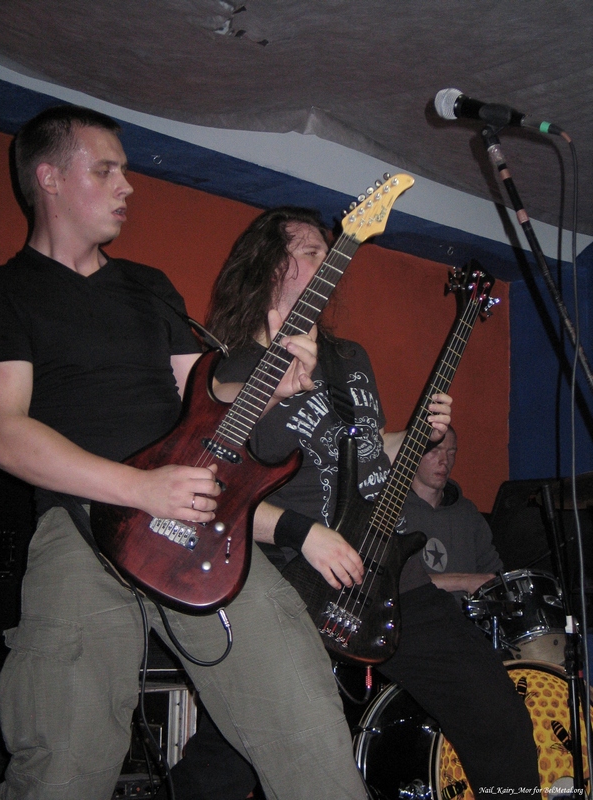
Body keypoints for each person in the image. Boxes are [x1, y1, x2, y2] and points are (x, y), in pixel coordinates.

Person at [0, 106, 371, 800]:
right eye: (106, 170)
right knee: (65, 765)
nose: (127, 185)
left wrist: (270, 384)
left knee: (305, 724)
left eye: (126, 171)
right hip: (81, 525)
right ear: (48, 178)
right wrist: (138, 488)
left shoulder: (150, 286)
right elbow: (4, 432)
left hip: (198, 523)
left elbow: (205, 397)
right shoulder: (7, 294)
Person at [165, 206, 541, 799]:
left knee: (497, 715)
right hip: (296, 582)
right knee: (233, 754)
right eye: (311, 250)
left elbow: (364, 448)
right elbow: (213, 495)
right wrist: (305, 535)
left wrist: (419, 436)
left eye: (328, 249)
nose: (328, 261)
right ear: (270, 266)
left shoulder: (350, 359)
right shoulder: (228, 370)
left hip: (392, 574)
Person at [400, 425, 503, 602]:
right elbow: (393, 582)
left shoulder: (467, 513)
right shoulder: (392, 509)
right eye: (435, 451)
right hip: (414, 613)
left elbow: (493, 573)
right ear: (413, 453)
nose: (444, 461)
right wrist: (463, 582)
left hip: (464, 615)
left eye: (451, 453)